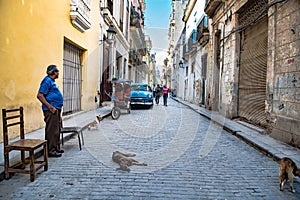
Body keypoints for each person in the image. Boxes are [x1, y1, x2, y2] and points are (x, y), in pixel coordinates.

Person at [37, 65, 64, 157]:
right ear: (54, 72)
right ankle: (51, 150)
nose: (58, 73)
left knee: (56, 129)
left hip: (55, 109)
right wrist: (50, 107)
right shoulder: (47, 81)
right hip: (51, 110)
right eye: (57, 71)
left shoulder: (51, 81)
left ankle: (55, 147)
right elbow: (40, 95)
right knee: (52, 130)